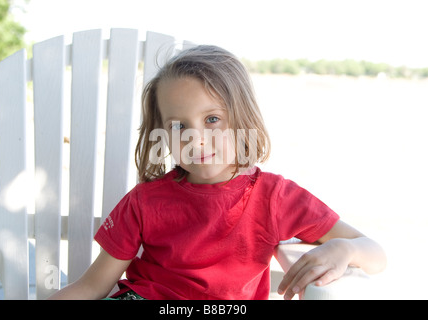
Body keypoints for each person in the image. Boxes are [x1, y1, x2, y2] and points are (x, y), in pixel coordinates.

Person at [48, 45, 386, 300]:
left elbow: (375, 253)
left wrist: (345, 250)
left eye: (212, 119)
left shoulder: (275, 197)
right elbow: (92, 286)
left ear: (242, 118)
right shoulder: (145, 202)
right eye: (179, 125)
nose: (196, 138)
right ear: (163, 134)